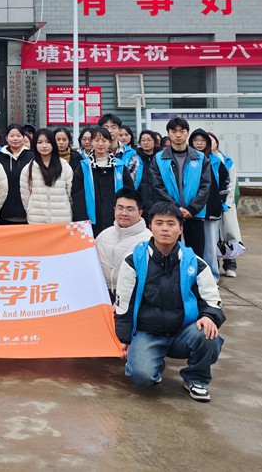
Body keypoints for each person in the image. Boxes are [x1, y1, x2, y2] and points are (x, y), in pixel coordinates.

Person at [114, 202, 225, 402]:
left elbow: (212, 299)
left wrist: (209, 317)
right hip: (148, 332)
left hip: (184, 331)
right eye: (159, 223)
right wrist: (125, 339)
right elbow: (124, 304)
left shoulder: (195, 262)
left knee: (209, 334)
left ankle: (196, 379)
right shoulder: (133, 261)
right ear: (150, 226)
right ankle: (152, 365)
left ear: (180, 228)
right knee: (141, 377)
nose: (165, 228)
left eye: (171, 224)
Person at [149, 116, 210, 259]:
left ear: (187, 133)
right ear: (168, 133)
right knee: (168, 254)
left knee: (196, 255)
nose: (178, 135)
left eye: (182, 131)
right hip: (169, 215)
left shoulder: (200, 158)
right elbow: (157, 186)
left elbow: (205, 186)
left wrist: (192, 209)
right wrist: (175, 208)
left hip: (194, 214)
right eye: (173, 131)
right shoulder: (159, 158)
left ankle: (194, 275)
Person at [72, 126, 135, 236]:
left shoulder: (119, 166)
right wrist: (82, 220)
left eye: (104, 140)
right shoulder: (84, 166)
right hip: (91, 220)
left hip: (116, 219)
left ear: (109, 143)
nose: (100, 144)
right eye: (97, 140)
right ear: (92, 142)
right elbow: (77, 195)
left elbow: (129, 192)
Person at [95, 187, 151, 296]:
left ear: (140, 212)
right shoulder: (103, 235)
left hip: (131, 296)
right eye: (120, 208)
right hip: (103, 295)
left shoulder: (147, 239)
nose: (124, 213)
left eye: (130, 209)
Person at [190, 128, 230, 281]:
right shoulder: (188, 159)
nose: (199, 143)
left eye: (202, 140)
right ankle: (194, 275)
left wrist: (220, 199)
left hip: (211, 208)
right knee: (194, 245)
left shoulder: (215, 160)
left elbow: (225, 180)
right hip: (193, 210)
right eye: (196, 140)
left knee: (211, 246)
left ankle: (212, 277)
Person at [20, 128, 73, 225]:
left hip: (62, 219)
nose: (44, 146)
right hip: (37, 220)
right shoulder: (28, 169)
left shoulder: (64, 166)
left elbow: (70, 192)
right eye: (40, 142)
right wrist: (31, 210)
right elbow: (25, 196)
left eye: (48, 142)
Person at [211, 133, 244, 278]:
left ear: (217, 143)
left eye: (211, 140)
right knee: (213, 237)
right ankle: (215, 266)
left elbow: (232, 183)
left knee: (228, 235)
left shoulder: (227, 161)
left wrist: (226, 202)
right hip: (210, 205)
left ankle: (230, 265)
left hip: (226, 204)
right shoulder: (201, 159)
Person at [0, 124, 32, 224]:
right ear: (6, 138)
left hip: (28, 211)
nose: (15, 139)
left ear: (23, 138)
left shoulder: (32, 157)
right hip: (4, 211)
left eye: (18, 136)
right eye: (12, 136)